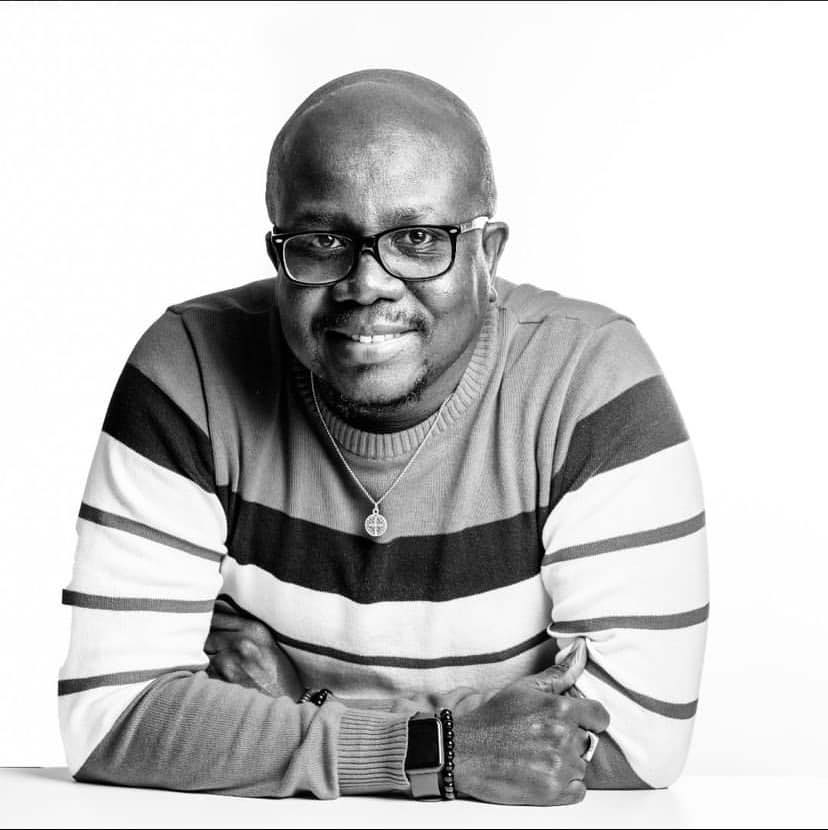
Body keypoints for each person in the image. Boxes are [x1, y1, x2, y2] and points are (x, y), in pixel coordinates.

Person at [58, 69, 708, 806]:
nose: (367, 283)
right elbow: (112, 718)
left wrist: (303, 714)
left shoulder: (590, 380)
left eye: (419, 239)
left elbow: (636, 739)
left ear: (489, 254)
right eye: (322, 240)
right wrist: (444, 750)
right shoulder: (189, 371)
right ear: (278, 253)